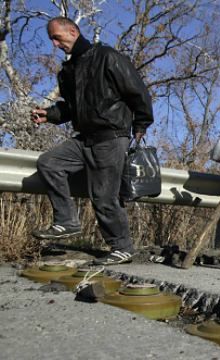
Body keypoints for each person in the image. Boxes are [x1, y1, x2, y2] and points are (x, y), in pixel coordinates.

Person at [30, 17, 154, 265]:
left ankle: (122, 247)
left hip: (111, 136)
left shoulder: (107, 57)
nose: (55, 44)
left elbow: (137, 91)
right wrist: (50, 114)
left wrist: (140, 126)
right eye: (52, 40)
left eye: (57, 37)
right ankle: (66, 221)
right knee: (49, 163)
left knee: (103, 196)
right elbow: (73, 109)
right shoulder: (66, 71)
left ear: (73, 31)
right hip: (84, 139)